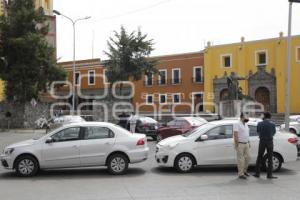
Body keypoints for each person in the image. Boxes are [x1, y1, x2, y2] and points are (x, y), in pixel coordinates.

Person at [253, 112, 277, 179]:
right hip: (270, 142)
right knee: (270, 158)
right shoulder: (272, 124)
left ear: (264, 116)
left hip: (262, 141)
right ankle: (269, 175)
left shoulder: (260, 123)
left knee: (259, 157)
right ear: (269, 117)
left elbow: (258, 131)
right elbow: (274, 132)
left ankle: (257, 173)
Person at [233, 112, 250, 179]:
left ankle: (244, 171)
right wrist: (237, 144)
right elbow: (235, 134)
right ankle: (241, 174)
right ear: (242, 116)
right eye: (247, 116)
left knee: (248, 158)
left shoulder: (246, 124)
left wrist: (249, 142)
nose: (248, 118)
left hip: (246, 143)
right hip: (240, 143)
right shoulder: (236, 123)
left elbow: (246, 134)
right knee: (240, 160)